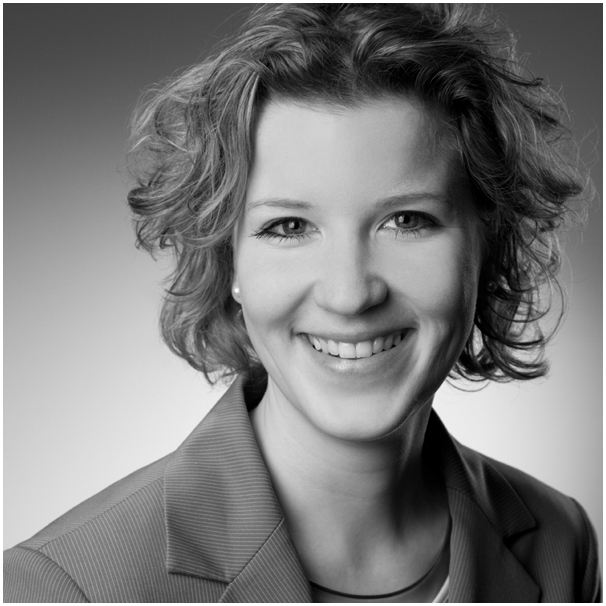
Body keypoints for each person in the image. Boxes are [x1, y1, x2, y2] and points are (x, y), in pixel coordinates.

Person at [4, 4, 600, 603]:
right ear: (227, 261)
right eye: (288, 227)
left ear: (487, 241)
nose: (350, 294)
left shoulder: (560, 542)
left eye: (406, 220)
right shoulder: (62, 587)